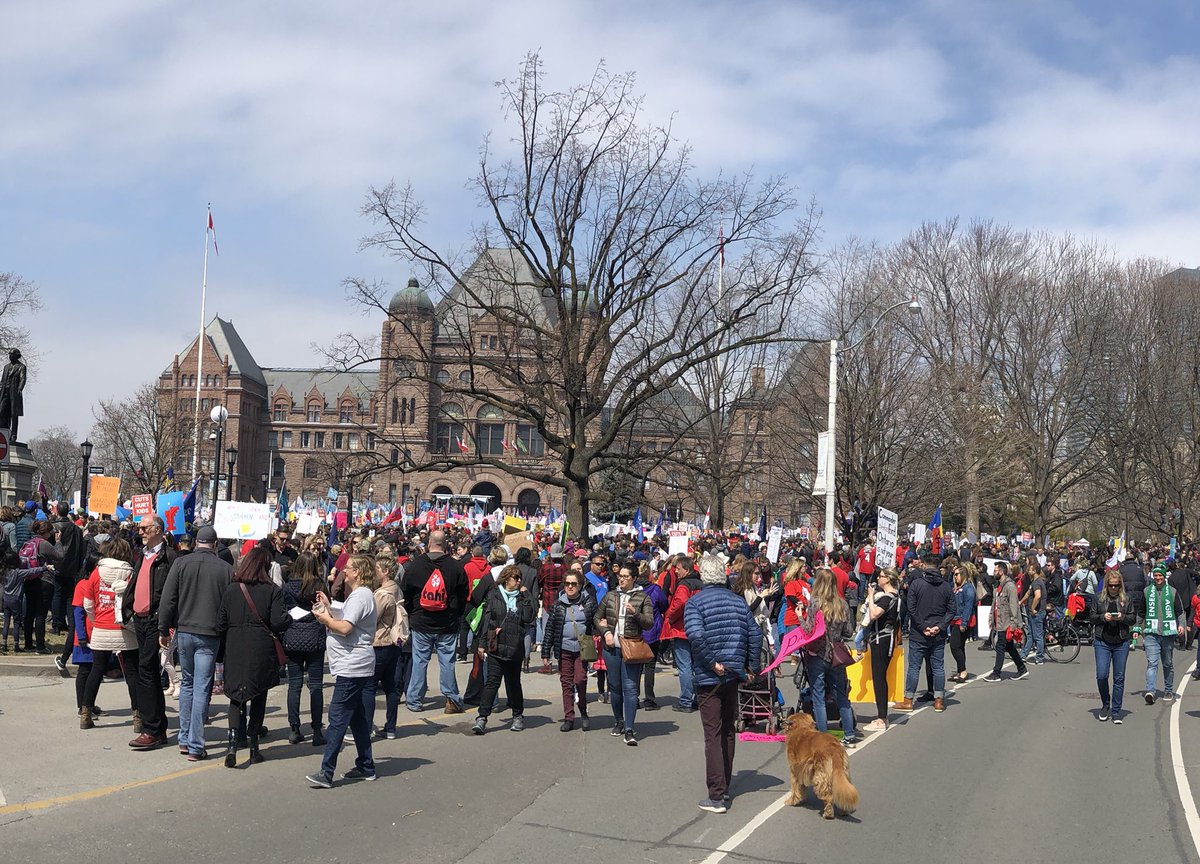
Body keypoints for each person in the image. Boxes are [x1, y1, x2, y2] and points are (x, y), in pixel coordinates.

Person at [685, 552, 762, 814]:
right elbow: (755, 633)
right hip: (732, 673)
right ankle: (724, 786)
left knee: (714, 734)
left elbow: (695, 635)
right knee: (727, 729)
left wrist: (710, 663)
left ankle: (717, 794)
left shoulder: (695, 604)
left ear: (703, 575)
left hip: (711, 676)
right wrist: (752, 666)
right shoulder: (738, 602)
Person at [157, 525, 233, 760]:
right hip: (209, 634)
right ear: (216, 544)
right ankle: (196, 745)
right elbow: (229, 605)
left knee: (188, 685)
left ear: (196, 542)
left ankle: (184, 739)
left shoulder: (181, 563)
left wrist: (163, 628)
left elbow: (168, 598)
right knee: (201, 687)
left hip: (185, 630)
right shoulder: (226, 569)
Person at [306, 554, 379, 788]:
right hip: (353, 664)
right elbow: (349, 617)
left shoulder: (361, 596)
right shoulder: (358, 596)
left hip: (353, 666)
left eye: (347, 568)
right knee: (356, 717)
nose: (343, 571)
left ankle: (326, 771)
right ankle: (366, 765)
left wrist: (325, 619)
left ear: (357, 572)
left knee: (337, 718)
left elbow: (346, 627)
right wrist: (330, 607)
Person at [217, 543, 289, 767]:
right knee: (258, 695)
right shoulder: (272, 591)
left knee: (235, 696)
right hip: (260, 646)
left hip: (235, 645)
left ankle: (232, 744)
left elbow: (220, 622)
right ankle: (254, 746)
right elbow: (278, 621)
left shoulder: (232, 589)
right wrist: (290, 619)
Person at [123, 516, 177, 751]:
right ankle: (157, 727)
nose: (140, 531)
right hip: (141, 619)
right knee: (147, 673)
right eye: (139, 528)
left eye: (144, 528)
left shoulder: (169, 557)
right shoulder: (143, 554)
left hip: (156, 621)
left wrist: (166, 625)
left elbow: (172, 593)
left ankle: (151, 729)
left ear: (158, 530)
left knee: (146, 672)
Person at [402, 529, 469, 714]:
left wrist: (412, 613)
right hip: (447, 622)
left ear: (429, 543)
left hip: (421, 621)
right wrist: (457, 614)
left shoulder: (416, 565)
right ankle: (451, 700)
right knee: (447, 661)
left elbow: (405, 591)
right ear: (445, 544)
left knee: (419, 661)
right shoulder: (455, 567)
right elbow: (464, 594)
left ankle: (414, 700)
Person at [79, 538, 139, 731]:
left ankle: (86, 712)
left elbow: (88, 604)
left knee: (96, 670)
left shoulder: (96, 573)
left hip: (102, 627)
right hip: (125, 629)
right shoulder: (131, 573)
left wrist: (96, 621)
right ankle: (138, 716)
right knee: (131, 672)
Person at [593, 561, 654, 745]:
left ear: (634, 578)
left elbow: (649, 623)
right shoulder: (610, 595)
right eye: (621, 576)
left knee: (630, 688)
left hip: (631, 647)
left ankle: (629, 728)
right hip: (611, 648)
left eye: (626, 577)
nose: (622, 579)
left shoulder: (643, 597)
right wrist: (606, 632)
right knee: (615, 687)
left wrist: (635, 613)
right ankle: (618, 720)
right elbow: (597, 617)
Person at [471, 565, 536, 734]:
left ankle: (517, 715)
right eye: (516, 578)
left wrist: (526, 595)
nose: (519, 581)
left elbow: (529, 617)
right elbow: (487, 620)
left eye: (520, 578)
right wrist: (482, 643)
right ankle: (482, 717)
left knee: (514, 683)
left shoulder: (522, 598)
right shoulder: (494, 595)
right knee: (492, 682)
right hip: (496, 647)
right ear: (507, 578)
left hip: (515, 647)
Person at [798, 568, 858, 747]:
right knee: (841, 695)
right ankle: (849, 735)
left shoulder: (815, 604)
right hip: (837, 655)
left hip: (817, 653)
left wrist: (801, 617)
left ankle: (823, 738)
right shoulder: (842, 604)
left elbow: (808, 630)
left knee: (819, 697)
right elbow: (849, 631)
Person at [894, 550, 954, 712]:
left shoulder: (917, 584)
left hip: (919, 632)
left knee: (914, 666)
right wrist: (939, 626)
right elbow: (952, 610)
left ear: (925, 565)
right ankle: (939, 700)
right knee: (938, 666)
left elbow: (911, 608)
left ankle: (908, 700)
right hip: (937, 632)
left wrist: (922, 626)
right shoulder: (946, 586)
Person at [541, 566, 597, 731]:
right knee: (566, 683)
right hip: (564, 650)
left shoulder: (588, 602)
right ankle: (569, 717)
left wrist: (600, 630)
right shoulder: (558, 605)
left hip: (582, 650)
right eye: (567, 583)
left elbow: (595, 620)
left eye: (573, 583)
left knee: (580, 680)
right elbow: (550, 629)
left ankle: (583, 711)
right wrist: (546, 652)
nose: (570, 586)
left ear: (579, 585)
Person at [282, 552, 329, 745]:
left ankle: (294, 728)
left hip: (293, 636)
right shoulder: (319, 586)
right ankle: (317, 730)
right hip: (314, 637)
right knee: (316, 685)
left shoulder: (288, 586)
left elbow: (284, 610)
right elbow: (327, 608)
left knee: (295, 684)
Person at [1092, 569, 1136, 722]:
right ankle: (1105, 704)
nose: (1113, 588)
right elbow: (1091, 617)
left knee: (1119, 678)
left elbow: (1132, 619)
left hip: (1121, 641)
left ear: (1120, 586)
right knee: (1102, 675)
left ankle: (1116, 710)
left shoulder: (1127, 599)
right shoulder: (1098, 598)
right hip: (1102, 641)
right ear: (1106, 585)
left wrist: (1122, 617)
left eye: (1116, 586)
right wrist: (1103, 617)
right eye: (1110, 585)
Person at [662, 554, 702, 713]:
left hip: (683, 629)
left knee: (685, 666)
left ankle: (686, 700)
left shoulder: (684, 585)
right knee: (697, 666)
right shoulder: (700, 583)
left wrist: (670, 616)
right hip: (697, 628)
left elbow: (680, 602)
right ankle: (697, 698)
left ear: (686, 569)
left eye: (678, 569)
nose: (676, 572)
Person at [861, 567, 900, 732]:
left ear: (888, 579)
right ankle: (882, 715)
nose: (878, 579)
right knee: (879, 677)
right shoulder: (895, 595)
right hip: (883, 637)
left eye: (881, 576)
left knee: (879, 677)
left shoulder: (887, 597)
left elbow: (874, 614)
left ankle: (882, 718)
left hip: (882, 638)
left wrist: (870, 596)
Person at [1142, 562, 1184, 705]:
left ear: (1164, 576)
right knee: (1152, 663)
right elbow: (1141, 612)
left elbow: (1179, 611)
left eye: (1160, 575)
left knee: (1167, 663)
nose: (1157, 578)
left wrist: (1182, 625)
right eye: (1155, 575)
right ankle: (1150, 691)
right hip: (1151, 633)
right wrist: (1136, 628)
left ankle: (1168, 689)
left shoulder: (1172, 591)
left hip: (1168, 633)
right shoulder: (1147, 591)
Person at [982, 561, 1030, 683]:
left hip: (1007, 623)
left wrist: (1013, 624)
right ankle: (1021, 668)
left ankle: (996, 673)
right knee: (1009, 647)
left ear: (1001, 572)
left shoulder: (1010, 586)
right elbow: (995, 603)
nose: (993, 573)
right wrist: (991, 619)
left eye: (995, 571)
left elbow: (1014, 606)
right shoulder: (997, 586)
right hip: (999, 621)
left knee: (1000, 646)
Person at [373, 554, 404, 739]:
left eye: (377, 569)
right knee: (390, 686)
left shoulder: (383, 593)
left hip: (381, 641)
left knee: (369, 687)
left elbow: (371, 618)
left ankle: (366, 726)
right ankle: (390, 727)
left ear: (385, 571)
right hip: (394, 642)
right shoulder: (397, 588)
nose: (375, 572)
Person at [949, 562, 977, 683]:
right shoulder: (956, 588)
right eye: (954, 575)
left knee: (954, 646)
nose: (955, 577)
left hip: (962, 620)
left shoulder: (968, 588)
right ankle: (960, 670)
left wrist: (964, 623)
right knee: (960, 646)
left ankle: (963, 670)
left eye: (957, 574)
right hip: (954, 619)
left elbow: (968, 607)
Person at [1021, 564, 1047, 664]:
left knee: (1037, 636)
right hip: (1035, 613)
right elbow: (1028, 593)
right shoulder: (1034, 582)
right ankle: (1023, 654)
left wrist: (1032, 607)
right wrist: (1021, 601)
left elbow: (1038, 596)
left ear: (1035, 571)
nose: (1028, 571)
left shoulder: (1037, 583)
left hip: (1037, 613)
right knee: (1030, 635)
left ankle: (1039, 657)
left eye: (1030, 570)